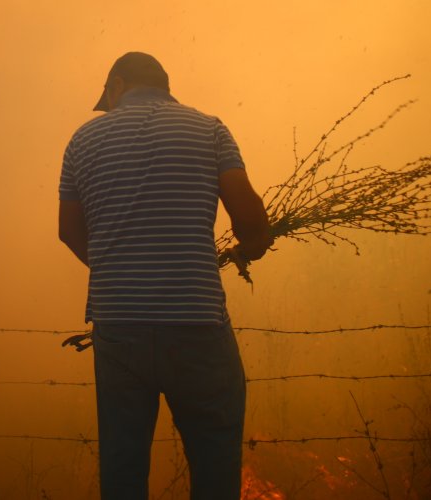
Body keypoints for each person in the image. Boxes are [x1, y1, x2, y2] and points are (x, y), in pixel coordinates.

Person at [58, 51, 273, 499]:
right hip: (195, 323)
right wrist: (252, 246)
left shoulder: (82, 140)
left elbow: (68, 231)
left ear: (117, 85)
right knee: (214, 462)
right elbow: (248, 216)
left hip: (119, 325)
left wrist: (117, 268)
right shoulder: (209, 129)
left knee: (123, 466)